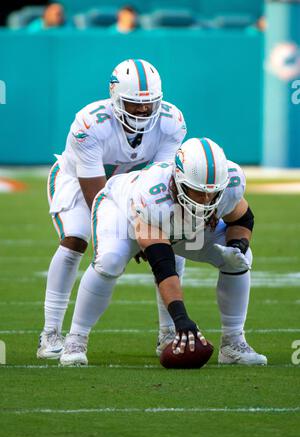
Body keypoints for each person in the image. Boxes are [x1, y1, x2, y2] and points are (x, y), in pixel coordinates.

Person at [60, 137, 267, 366]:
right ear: (178, 180)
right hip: (121, 211)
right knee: (110, 261)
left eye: (213, 192)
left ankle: (233, 342)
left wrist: (238, 245)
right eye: (198, 191)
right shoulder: (153, 194)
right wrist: (182, 319)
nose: (207, 199)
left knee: (241, 259)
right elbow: (163, 267)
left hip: (181, 222)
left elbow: (242, 218)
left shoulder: (230, 182)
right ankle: (76, 339)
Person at [37, 58, 187, 360]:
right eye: (134, 104)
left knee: (171, 243)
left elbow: (161, 178)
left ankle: (168, 333)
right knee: (77, 238)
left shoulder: (172, 122)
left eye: (150, 104)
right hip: (79, 181)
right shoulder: (91, 123)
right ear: (116, 97)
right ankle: (50, 332)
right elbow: (95, 194)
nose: (144, 111)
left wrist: (149, 231)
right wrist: (126, 232)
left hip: (132, 187)